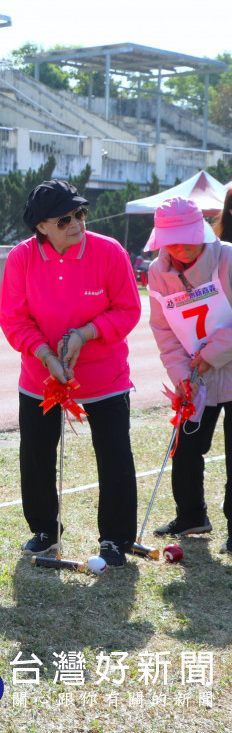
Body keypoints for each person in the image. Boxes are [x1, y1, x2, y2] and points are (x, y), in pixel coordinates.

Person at [0, 179, 141, 567]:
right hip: (41, 376)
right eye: (64, 219)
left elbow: (128, 309)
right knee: (37, 453)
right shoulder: (21, 259)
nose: (76, 223)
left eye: (80, 213)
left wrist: (84, 334)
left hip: (105, 377)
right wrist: (45, 354)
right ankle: (45, 530)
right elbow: (13, 319)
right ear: (41, 227)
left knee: (114, 455)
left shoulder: (109, 252)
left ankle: (115, 538)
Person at [146, 197, 232, 550]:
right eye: (173, 241)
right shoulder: (156, 272)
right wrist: (181, 374)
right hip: (196, 374)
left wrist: (213, 353)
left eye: (189, 238)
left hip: (220, 362)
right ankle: (192, 515)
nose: (182, 249)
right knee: (185, 446)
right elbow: (164, 330)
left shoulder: (227, 256)